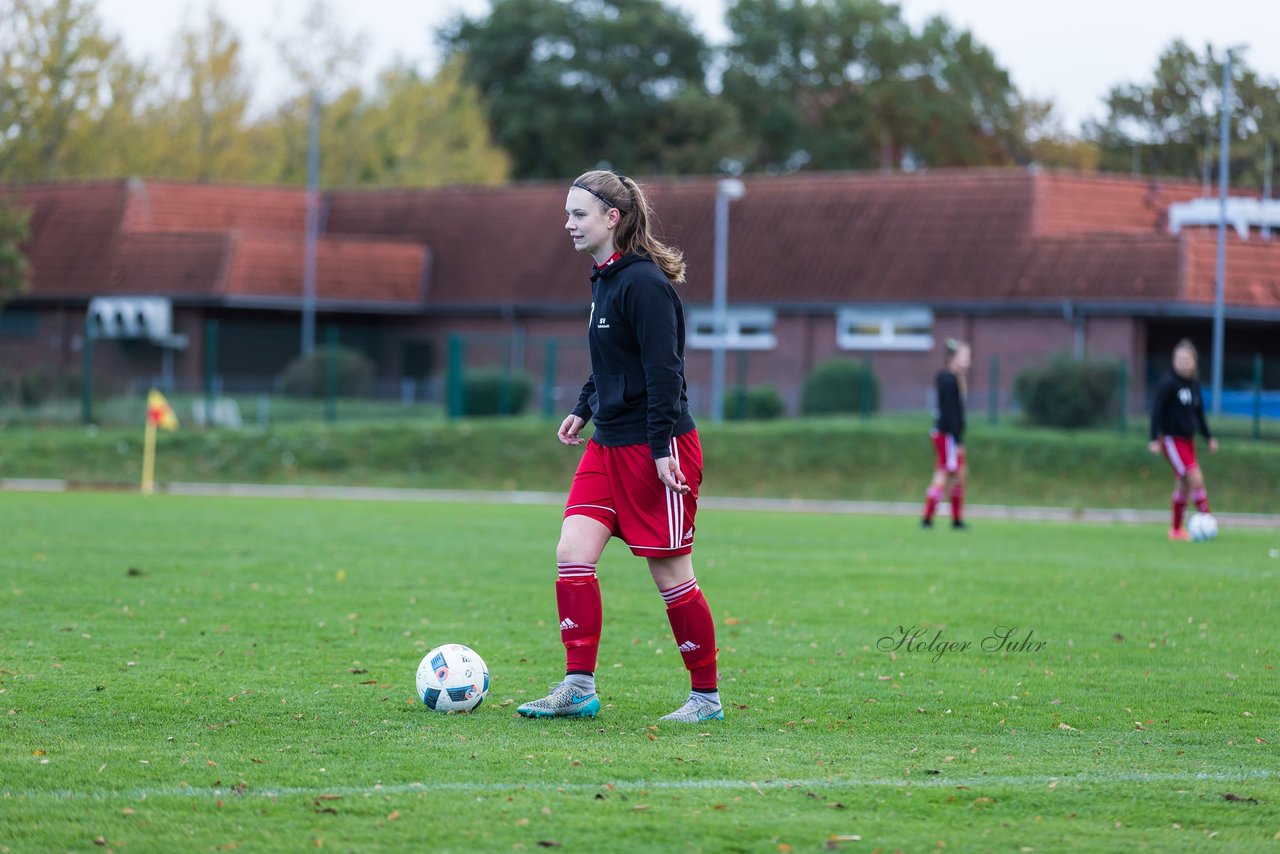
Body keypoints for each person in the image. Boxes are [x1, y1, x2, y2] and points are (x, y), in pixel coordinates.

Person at [516, 170, 722, 723]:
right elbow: (612, 361)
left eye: (578, 214)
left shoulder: (645, 285)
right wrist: (584, 407)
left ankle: (705, 697)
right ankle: (578, 687)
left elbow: (664, 374)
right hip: (606, 447)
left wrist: (660, 450)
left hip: (658, 450)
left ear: (613, 218)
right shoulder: (603, 278)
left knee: (672, 577)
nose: (569, 225)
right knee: (571, 555)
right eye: (567, 213)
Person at [1149, 339, 1218, 541]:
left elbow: (1199, 413)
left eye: (1186, 359)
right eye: (1178, 359)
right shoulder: (1169, 384)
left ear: (1194, 362)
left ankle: (1176, 530)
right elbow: (1156, 412)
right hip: (1172, 440)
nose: (1182, 362)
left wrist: (1209, 436)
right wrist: (1153, 438)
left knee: (1183, 484)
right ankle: (1206, 518)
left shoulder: (1194, 384)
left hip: (1189, 441)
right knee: (1194, 476)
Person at [921, 338, 970, 530]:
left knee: (957, 474)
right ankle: (930, 518)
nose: (968, 362)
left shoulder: (952, 379)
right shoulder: (948, 380)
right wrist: (957, 440)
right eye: (965, 357)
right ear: (953, 358)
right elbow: (950, 415)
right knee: (946, 474)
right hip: (948, 436)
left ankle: (953, 519)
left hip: (947, 435)